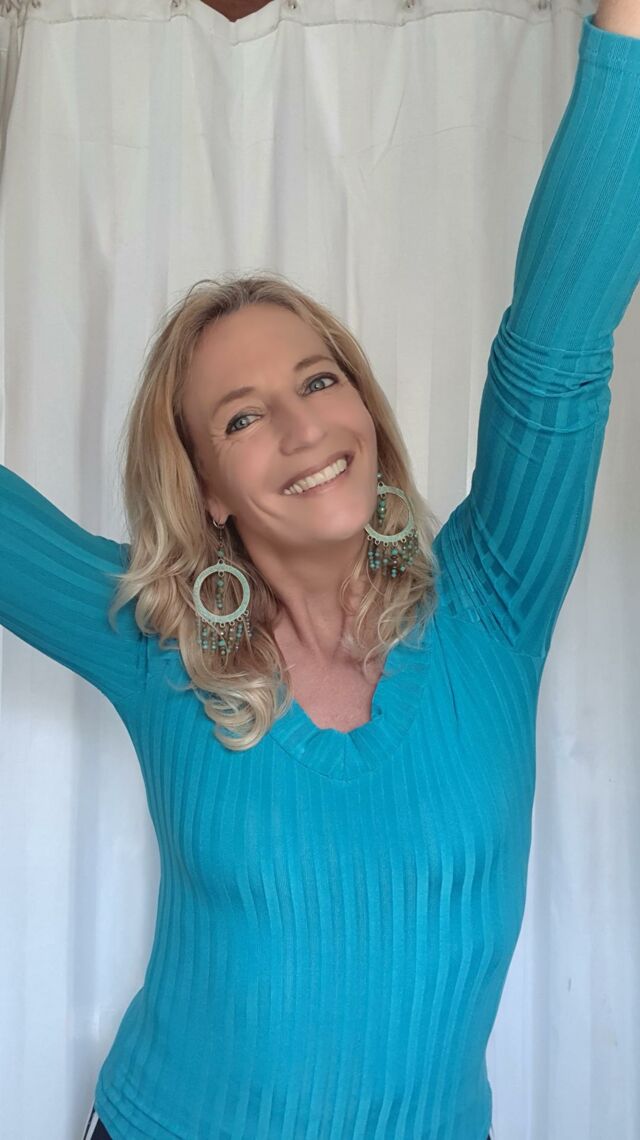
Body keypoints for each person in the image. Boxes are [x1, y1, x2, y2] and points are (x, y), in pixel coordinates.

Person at [2, 11, 640, 1140]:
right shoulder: (159, 647)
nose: (304, 429)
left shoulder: (493, 600)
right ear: (204, 487)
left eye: (318, 380)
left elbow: (555, 350)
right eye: (243, 417)